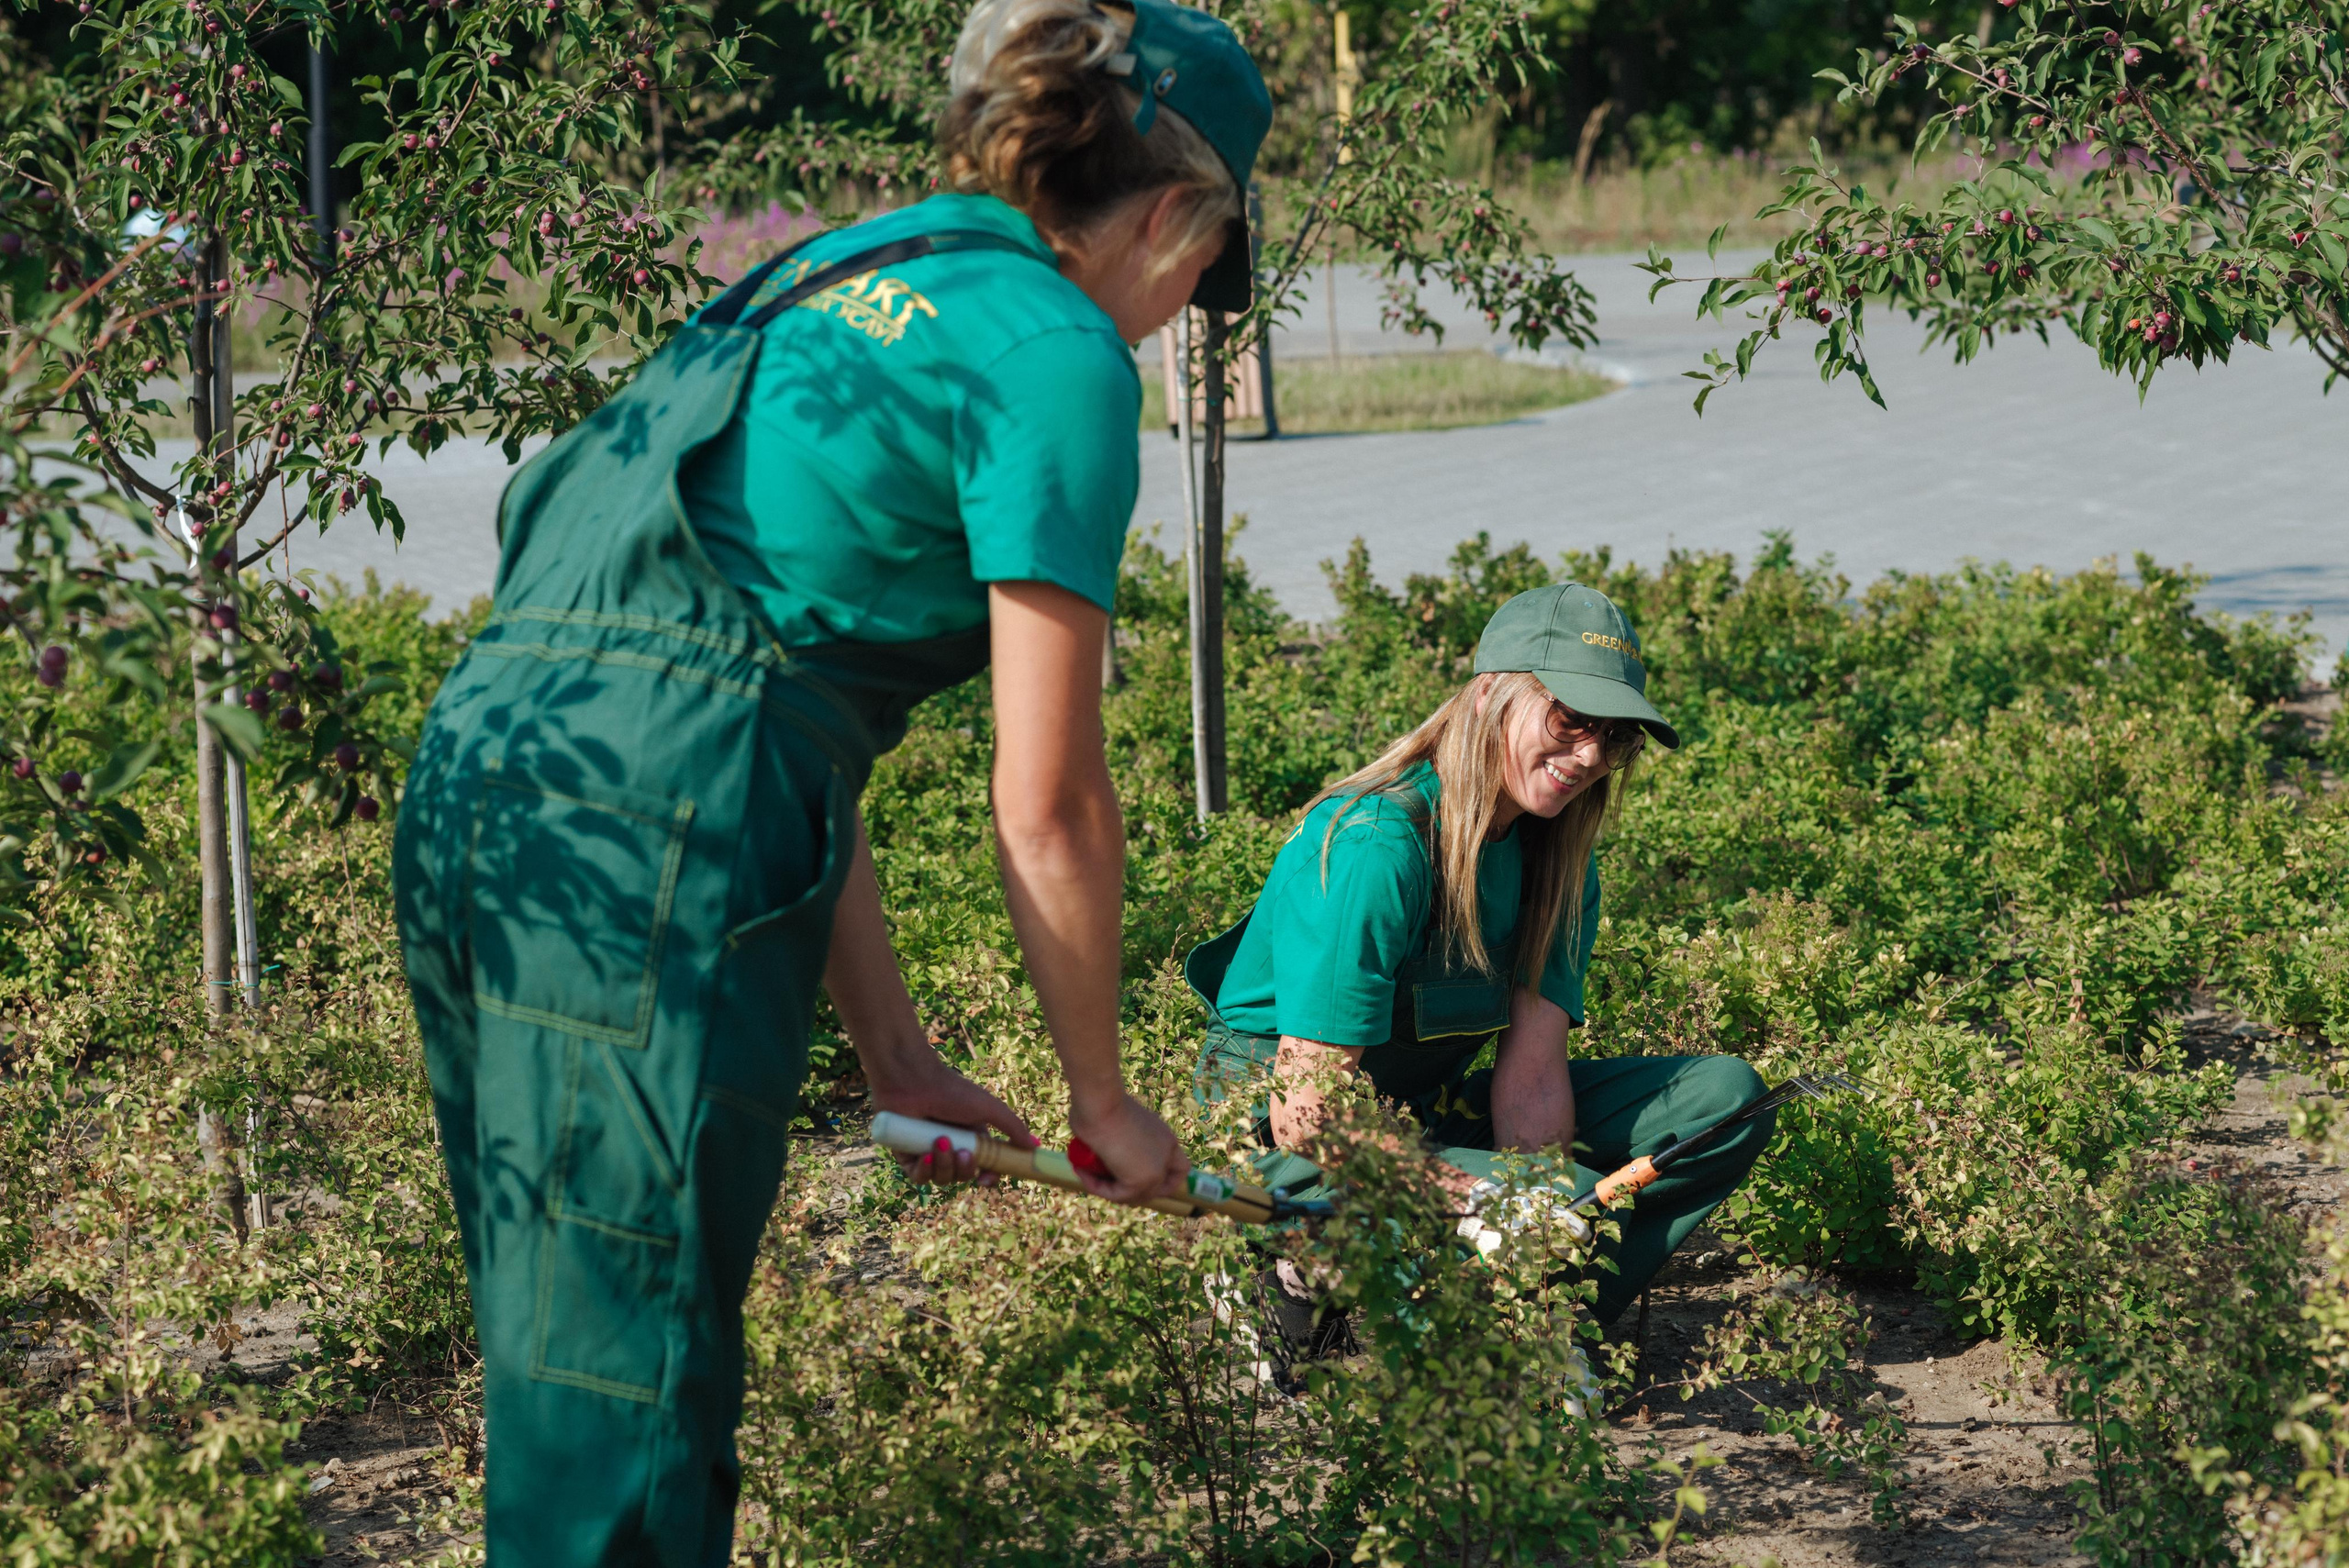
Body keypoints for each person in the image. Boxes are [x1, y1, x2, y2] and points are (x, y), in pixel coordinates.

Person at [391, 2, 1271, 1562]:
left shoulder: (828, 274)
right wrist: (1104, 1102)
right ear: (1169, 213)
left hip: (490, 774)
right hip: (651, 831)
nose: (1192, 308)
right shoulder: (1053, 348)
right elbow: (1047, 798)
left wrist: (901, 1053)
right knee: (630, 1400)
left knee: (567, 1356)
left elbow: (768, 701)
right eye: (1210, 269)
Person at [1187, 584, 1774, 1327]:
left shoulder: (1557, 860)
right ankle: (1291, 1273)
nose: (1591, 754)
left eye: (1617, 736)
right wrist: (1484, 1196)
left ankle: (1546, 1325)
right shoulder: (1377, 843)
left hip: (1418, 1116)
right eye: (1571, 717)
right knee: (1543, 1205)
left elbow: (1531, 1084)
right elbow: (1308, 1113)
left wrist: (1535, 1203)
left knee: (1725, 1102)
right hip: (1277, 1143)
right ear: (1491, 693)